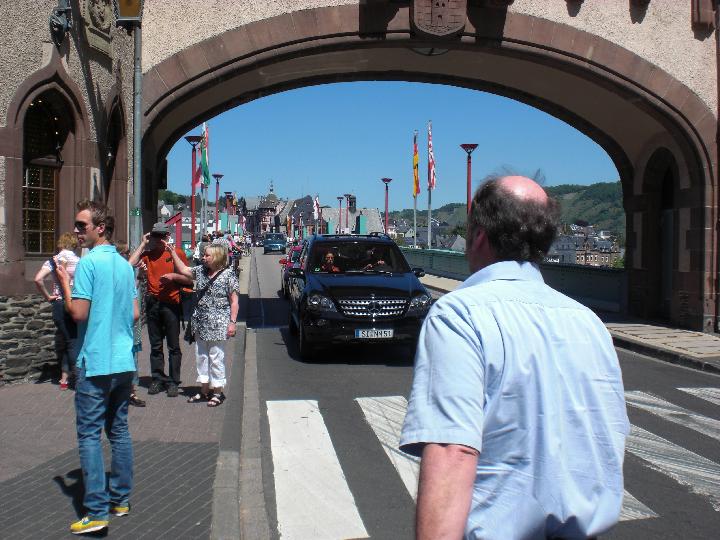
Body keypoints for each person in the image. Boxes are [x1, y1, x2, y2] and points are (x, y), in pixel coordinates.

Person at [399, 175, 629, 540]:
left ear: (478, 236)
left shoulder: (459, 314)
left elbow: (452, 450)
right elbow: (609, 436)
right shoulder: (589, 323)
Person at [55, 200, 138, 535]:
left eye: (82, 225)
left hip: (96, 361)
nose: (77, 231)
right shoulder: (125, 266)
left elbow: (78, 314)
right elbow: (134, 313)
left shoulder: (88, 264)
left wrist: (64, 282)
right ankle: (121, 499)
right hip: (124, 361)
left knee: (90, 435)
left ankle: (97, 510)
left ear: (100, 228)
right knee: (118, 431)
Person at [168, 244, 239, 407]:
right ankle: (204, 389)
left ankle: (218, 392)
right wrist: (172, 252)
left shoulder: (228, 275)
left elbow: (234, 301)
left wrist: (233, 322)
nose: (203, 258)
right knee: (201, 357)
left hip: (219, 322)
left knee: (216, 357)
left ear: (217, 257)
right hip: (200, 321)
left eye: (207, 255)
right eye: (204, 255)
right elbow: (184, 270)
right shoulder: (200, 271)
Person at [128, 222, 191, 397]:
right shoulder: (148, 254)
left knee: (173, 345)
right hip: (153, 302)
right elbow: (129, 264)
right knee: (155, 345)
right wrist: (143, 243)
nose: (159, 239)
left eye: (162, 236)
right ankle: (157, 379)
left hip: (171, 303)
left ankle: (173, 381)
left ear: (167, 236)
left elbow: (189, 279)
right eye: (155, 236)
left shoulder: (177, 253)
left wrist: (173, 277)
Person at [34, 232, 80, 390]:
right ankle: (79, 379)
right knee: (73, 341)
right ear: (74, 244)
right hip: (74, 301)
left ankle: (64, 378)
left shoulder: (52, 260)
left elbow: (38, 279)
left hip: (59, 303)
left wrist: (48, 296)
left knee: (67, 339)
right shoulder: (79, 261)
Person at [115, 241, 146, 408]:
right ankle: (121, 392)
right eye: (126, 252)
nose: (128, 255)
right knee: (124, 357)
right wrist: (143, 244)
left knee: (133, 357)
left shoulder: (125, 271)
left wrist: (140, 275)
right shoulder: (117, 270)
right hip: (121, 322)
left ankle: (131, 392)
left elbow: (132, 289)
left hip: (131, 323)